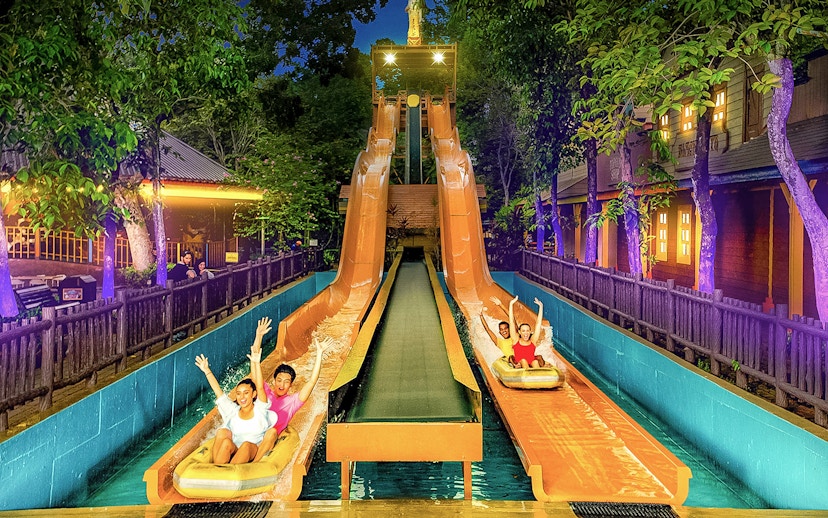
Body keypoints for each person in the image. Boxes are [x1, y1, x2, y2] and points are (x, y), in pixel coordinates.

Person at [194, 317, 277, 464]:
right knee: (223, 435)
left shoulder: (260, 408)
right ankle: (217, 470)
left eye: (246, 393)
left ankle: (231, 474)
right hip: (234, 450)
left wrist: (258, 342)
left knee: (246, 446)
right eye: (238, 394)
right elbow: (218, 392)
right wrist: (207, 370)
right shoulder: (233, 411)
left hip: (251, 450)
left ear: (253, 395)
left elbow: (259, 385)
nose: (242, 397)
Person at [244, 333, 334, 462]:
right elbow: (254, 369)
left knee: (271, 432)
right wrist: (258, 335)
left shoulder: (293, 402)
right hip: (254, 434)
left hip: (270, 439)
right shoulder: (265, 392)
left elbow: (312, 382)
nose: (282, 384)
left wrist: (319, 354)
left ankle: (253, 466)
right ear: (274, 381)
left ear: (291, 385)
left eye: (286, 382)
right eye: (279, 380)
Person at [508, 295, 546, 369]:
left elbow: (538, 324)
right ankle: (528, 376)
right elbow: (511, 322)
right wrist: (511, 304)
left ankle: (538, 377)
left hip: (531, 365)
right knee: (523, 360)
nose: (526, 333)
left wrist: (541, 307)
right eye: (523, 331)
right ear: (519, 332)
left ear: (530, 331)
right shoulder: (516, 340)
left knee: (535, 361)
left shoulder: (533, 340)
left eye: (527, 331)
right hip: (521, 365)